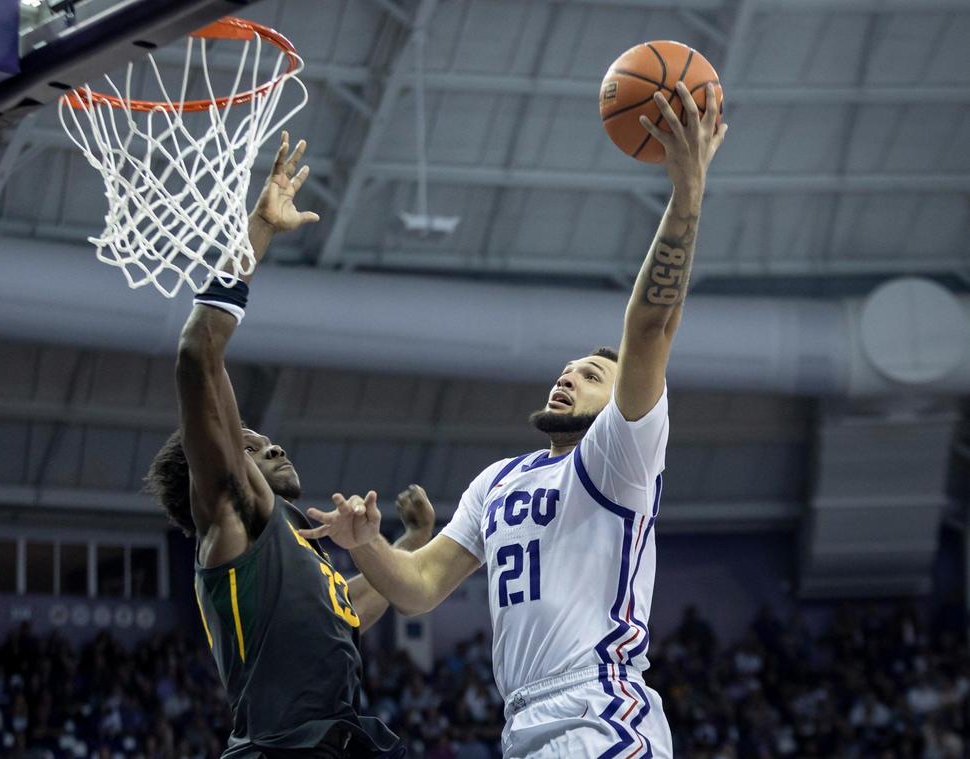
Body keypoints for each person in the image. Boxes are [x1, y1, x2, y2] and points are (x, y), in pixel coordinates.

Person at [299, 84, 728, 758]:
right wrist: (367, 545)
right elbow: (419, 588)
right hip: (523, 723)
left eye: (590, 375)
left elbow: (648, 328)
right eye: (567, 368)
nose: (568, 375)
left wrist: (686, 195)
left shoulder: (620, 454)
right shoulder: (496, 482)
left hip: (598, 711)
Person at [144, 132, 428, 758]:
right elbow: (198, 354)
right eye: (250, 444)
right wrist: (259, 230)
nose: (271, 448)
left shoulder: (298, 546)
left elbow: (350, 607)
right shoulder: (233, 516)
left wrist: (409, 544)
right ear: (216, 463)